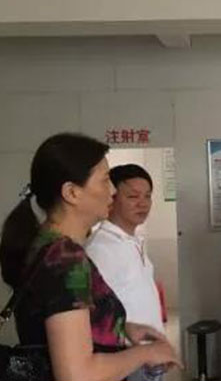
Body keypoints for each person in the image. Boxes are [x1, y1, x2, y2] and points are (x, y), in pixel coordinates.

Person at [0, 133, 180, 381]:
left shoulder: (46, 244)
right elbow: (77, 375)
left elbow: (65, 320)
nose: (113, 191)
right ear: (72, 193)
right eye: (105, 181)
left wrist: (124, 328)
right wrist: (146, 353)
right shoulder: (65, 259)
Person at [87, 164, 165, 381]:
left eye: (148, 196)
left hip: (148, 355)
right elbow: (93, 316)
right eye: (133, 196)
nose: (143, 203)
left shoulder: (133, 240)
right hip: (126, 358)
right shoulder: (99, 248)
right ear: (111, 199)